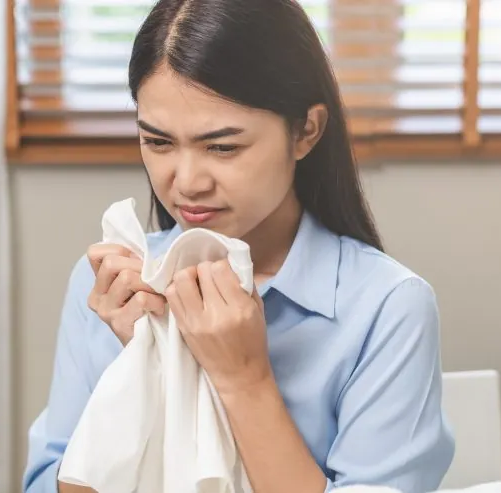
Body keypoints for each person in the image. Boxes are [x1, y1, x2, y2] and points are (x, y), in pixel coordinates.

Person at [23, 0, 455, 492]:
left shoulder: (386, 307)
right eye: (158, 142)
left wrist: (245, 380)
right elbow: (47, 482)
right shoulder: (112, 285)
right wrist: (147, 365)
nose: (185, 182)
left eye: (223, 147)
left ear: (306, 131)